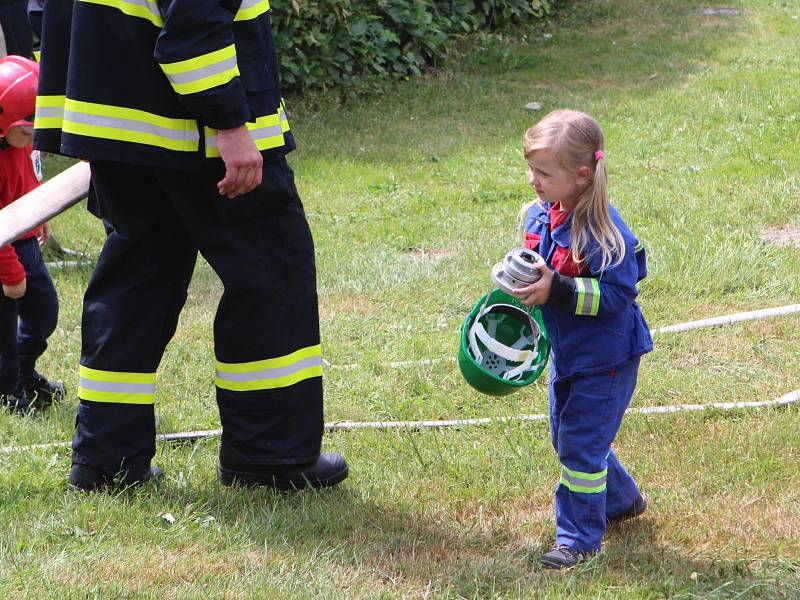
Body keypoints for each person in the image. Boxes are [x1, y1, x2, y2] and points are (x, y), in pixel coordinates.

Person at [32, 0, 348, 491]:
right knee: (271, 270)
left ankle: (107, 459)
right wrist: (230, 122)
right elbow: (193, 21)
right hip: (189, 123)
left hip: (115, 114)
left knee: (136, 280)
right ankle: (269, 454)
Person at [511, 109, 653, 569]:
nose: (533, 180)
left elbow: (615, 295)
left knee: (579, 446)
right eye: (531, 168)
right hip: (568, 355)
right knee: (565, 435)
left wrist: (560, 289)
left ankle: (578, 539)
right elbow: (539, 262)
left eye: (543, 172)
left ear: (581, 175)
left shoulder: (604, 236)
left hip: (606, 360)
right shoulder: (540, 215)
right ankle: (623, 500)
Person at [0, 55, 65, 414]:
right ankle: (8, 391)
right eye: (26, 128)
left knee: (44, 313)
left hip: (26, 241)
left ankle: (23, 371)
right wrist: (10, 274)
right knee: (4, 334)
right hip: (4, 251)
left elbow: (28, 182)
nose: (32, 135)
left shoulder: (20, 141)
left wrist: (42, 217)